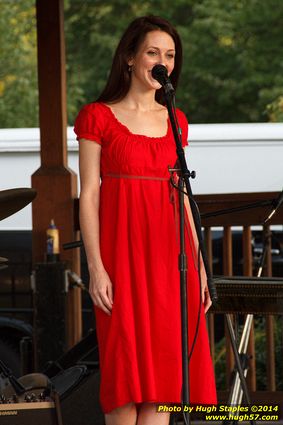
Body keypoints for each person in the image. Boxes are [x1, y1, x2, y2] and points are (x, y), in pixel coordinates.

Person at [74, 15, 217, 425]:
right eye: (153, 52)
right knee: (124, 377)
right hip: (121, 258)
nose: (163, 62)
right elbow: (88, 194)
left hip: (171, 261)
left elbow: (184, 196)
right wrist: (96, 268)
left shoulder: (176, 119)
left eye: (170, 55)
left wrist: (202, 265)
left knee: (163, 385)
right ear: (129, 59)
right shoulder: (97, 116)